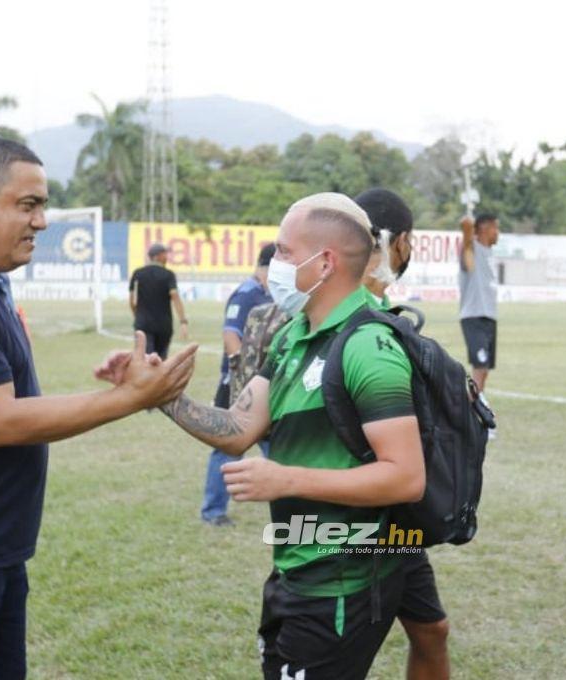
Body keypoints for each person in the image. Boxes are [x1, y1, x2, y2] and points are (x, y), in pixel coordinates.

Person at [0, 137, 197, 680]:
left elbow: (8, 396)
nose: (41, 221)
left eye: (42, 205)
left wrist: (118, 384)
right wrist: (128, 399)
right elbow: (0, 421)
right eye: (28, 205)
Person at [99, 192, 425, 679]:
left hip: (340, 582)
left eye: (285, 253)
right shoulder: (295, 336)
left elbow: (404, 478)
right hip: (295, 570)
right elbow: (238, 429)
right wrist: (159, 395)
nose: (274, 264)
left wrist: (285, 479)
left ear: (325, 263)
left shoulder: (369, 347)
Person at [355, 188, 449, 680]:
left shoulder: (383, 318)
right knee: (347, 647)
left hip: (396, 523)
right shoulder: (345, 322)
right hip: (352, 523)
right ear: (403, 242)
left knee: (431, 630)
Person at [200, 242, 275, 526]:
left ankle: (292, 506)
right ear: (265, 268)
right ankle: (213, 511)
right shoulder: (246, 294)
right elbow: (231, 336)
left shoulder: (271, 294)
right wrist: (243, 374)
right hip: (238, 385)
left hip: (265, 385)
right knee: (228, 447)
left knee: (275, 446)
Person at [458, 213, 499, 440]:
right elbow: (467, 258)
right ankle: (470, 415)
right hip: (474, 315)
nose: (498, 234)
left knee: (484, 371)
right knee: (479, 368)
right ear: (484, 228)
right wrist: (466, 231)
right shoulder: (470, 248)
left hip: (488, 317)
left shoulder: (488, 253)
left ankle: (475, 412)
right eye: (496, 228)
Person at [129, 242, 188, 359]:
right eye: (164, 254)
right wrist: (183, 321)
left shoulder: (138, 274)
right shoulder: (168, 275)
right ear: (157, 256)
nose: (167, 257)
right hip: (164, 325)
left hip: (143, 324)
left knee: (146, 359)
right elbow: (175, 296)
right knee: (160, 361)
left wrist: (137, 315)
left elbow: (132, 299)